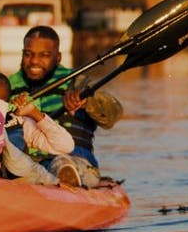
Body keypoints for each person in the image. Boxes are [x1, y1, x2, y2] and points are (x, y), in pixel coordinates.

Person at [7, 26, 123, 187]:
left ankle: (65, 180)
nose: (34, 61)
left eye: (44, 55)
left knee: (62, 163)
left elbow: (114, 114)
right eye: (28, 54)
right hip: (27, 164)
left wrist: (88, 102)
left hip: (75, 162)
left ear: (58, 57)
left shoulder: (77, 82)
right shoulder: (6, 87)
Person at [0, 70, 86, 188]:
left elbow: (66, 145)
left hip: (13, 183)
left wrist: (34, 113)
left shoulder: (18, 122)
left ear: (2, 103)